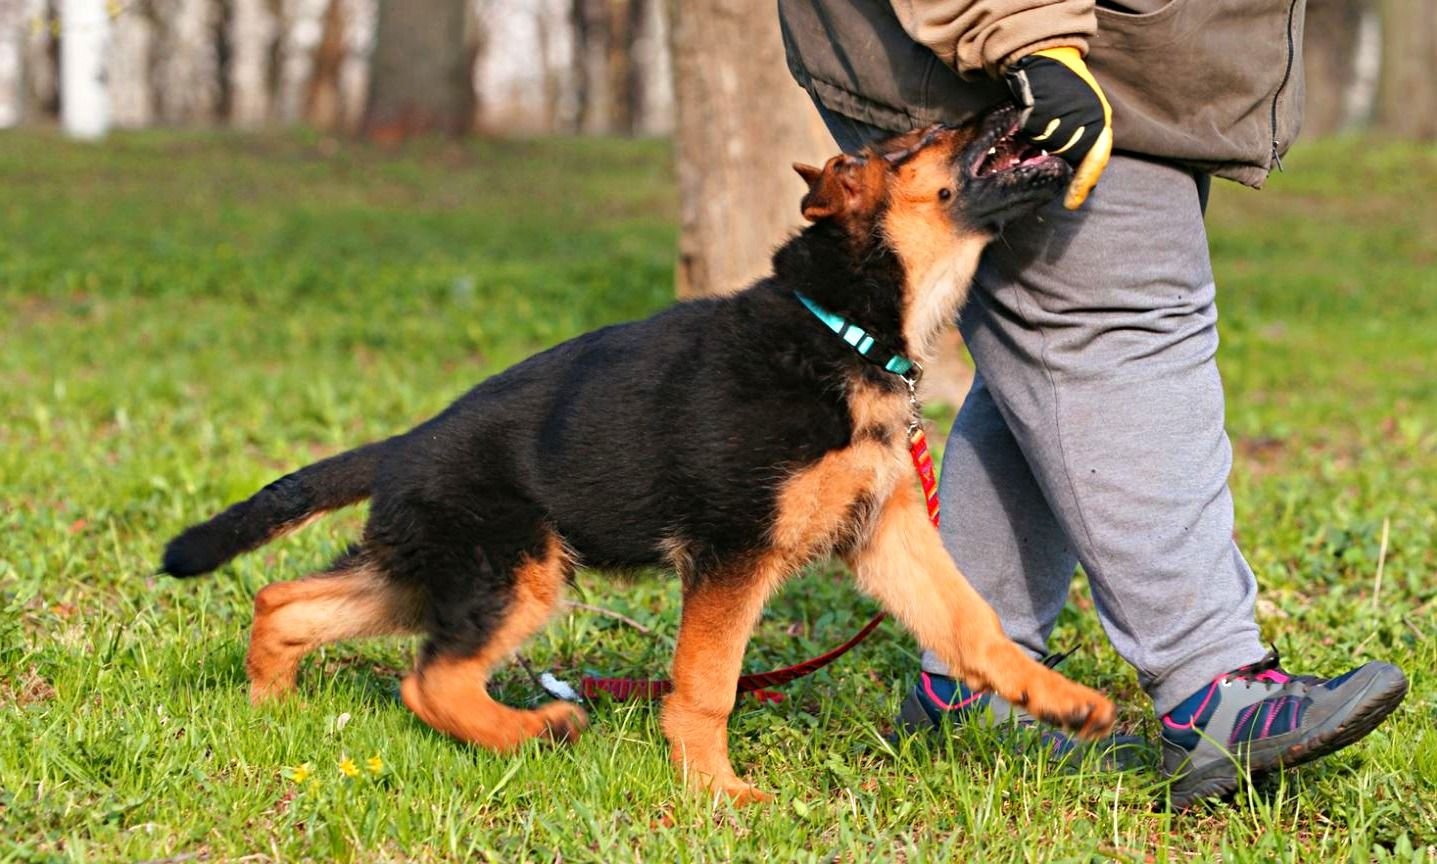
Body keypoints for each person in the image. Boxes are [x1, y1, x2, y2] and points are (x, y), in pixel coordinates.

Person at [777, 0, 1409, 808]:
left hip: (1114, 51)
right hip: (1029, 45)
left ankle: (971, 684)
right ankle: (1212, 687)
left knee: (1045, 356)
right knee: (1109, 323)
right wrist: (1026, 36)